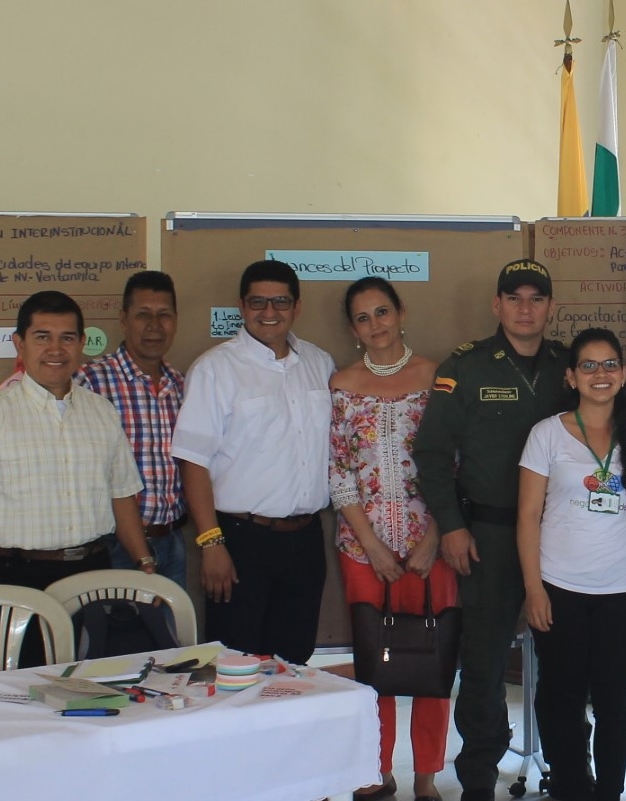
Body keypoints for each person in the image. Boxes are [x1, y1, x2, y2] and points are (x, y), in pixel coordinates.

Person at [412, 258, 571, 801]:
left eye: (537, 298)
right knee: (481, 666)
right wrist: (452, 527)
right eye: (515, 297)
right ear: (496, 305)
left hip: (563, 538)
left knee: (565, 662)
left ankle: (570, 769)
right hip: (489, 537)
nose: (526, 308)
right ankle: (478, 780)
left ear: (551, 307)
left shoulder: (569, 368)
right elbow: (432, 454)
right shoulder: (468, 366)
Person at [0, 291, 152, 663]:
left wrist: (144, 563)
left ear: (81, 343)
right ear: (20, 343)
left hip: (92, 572)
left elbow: (122, 496)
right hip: (14, 576)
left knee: (92, 687)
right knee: (19, 696)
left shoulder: (102, 413)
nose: (56, 349)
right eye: (42, 336)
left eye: (67, 338)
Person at [172, 259, 335, 665]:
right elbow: (193, 461)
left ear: (296, 307)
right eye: (257, 302)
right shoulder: (215, 368)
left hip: (306, 539)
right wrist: (211, 543)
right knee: (235, 661)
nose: (269, 312)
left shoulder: (319, 363)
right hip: (242, 540)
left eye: (280, 302)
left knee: (295, 661)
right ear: (242, 307)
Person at [329, 277, 452, 801]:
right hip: (363, 549)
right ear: (353, 329)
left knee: (433, 657)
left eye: (382, 312)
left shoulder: (439, 377)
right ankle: (376, 771)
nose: (375, 325)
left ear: (401, 312)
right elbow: (338, 474)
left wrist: (435, 535)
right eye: (363, 317)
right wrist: (373, 546)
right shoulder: (342, 383)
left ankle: (426, 776)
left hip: (434, 546)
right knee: (371, 663)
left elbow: (458, 463)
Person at [517, 328, 626, 801]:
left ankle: (609, 791)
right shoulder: (547, 434)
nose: (600, 374)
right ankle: (571, 786)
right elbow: (528, 516)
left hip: (624, 591)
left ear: (624, 373)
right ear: (571, 376)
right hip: (559, 589)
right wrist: (534, 589)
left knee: (615, 704)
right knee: (560, 698)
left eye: (609, 364)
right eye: (589, 366)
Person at [78, 270, 189, 587]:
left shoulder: (181, 385)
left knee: (171, 633)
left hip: (172, 540)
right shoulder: (91, 381)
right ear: (124, 319)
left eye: (164, 315)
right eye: (143, 315)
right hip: (113, 544)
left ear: (176, 320)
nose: (155, 326)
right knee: (116, 636)